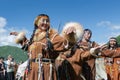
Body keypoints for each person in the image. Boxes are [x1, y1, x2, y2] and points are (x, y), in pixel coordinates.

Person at [10, 14, 84, 80]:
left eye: (47, 21)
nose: (45, 23)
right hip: (32, 70)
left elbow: (65, 44)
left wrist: (70, 35)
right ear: (37, 23)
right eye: (43, 21)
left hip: (46, 71)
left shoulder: (52, 35)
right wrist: (21, 37)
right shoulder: (34, 37)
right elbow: (29, 48)